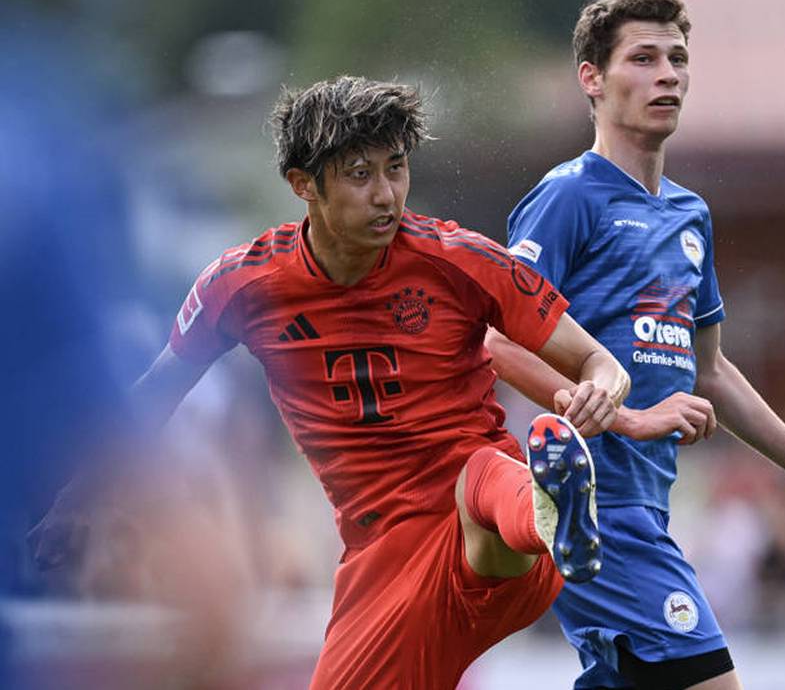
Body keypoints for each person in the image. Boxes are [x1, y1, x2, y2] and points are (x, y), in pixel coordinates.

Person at [29, 76, 630, 690]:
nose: (386, 195)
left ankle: (549, 507)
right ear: (302, 184)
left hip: (495, 531)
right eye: (360, 174)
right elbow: (158, 391)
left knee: (479, 477)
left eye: (396, 169)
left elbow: (601, 364)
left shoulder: (461, 260)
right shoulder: (240, 286)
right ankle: (543, 506)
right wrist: (80, 496)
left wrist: (601, 392)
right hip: (381, 560)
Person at [485, 0, 785, 690]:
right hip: (592, 506)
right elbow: (497, 334)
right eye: (643, 58)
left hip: (649, 503)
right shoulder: (569, 196)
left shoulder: (689, 215)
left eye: (678, 58)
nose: (667, 74)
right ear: (592, 78)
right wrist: (611, 405)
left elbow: (713, 373)